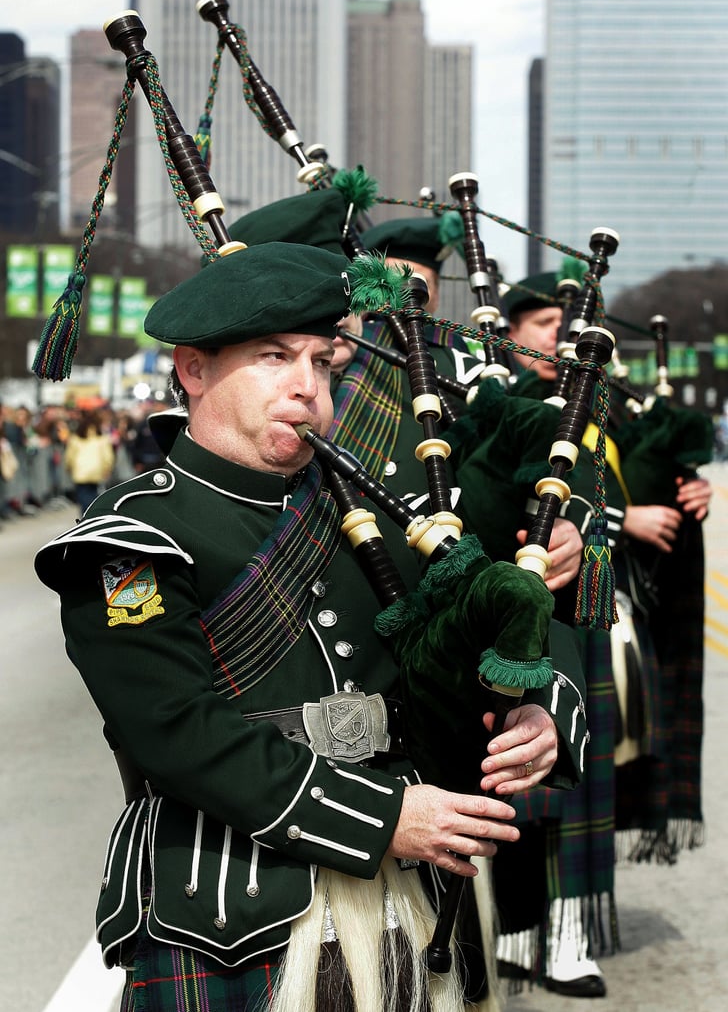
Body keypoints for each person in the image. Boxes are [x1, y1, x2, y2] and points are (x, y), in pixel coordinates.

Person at [35, 241, 587, 1012]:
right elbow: (179, 732)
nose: (307, 387)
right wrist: (385, 818)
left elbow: (498, 610)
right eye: (273, 356)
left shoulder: (382, 512)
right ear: (193, 370)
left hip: (405, 909)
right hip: (232, 913)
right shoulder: (130, 538)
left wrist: (542, 708)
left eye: (323, 363)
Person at [496, 270, 712, 997]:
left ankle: (566, 937)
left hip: (596, 618)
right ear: (513, 334)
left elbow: (632, 488)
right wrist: (627, 523)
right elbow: (516, 510)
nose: (561, 335)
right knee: (522, 783)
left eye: (567, 321)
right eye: (545, 323)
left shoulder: (607, 411)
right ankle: (518, 931)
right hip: (524, 612)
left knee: (585, 782)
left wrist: (689, 494)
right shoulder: (498, 406)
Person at [64, 409, 116, 516]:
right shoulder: (102, 439)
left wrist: (68, 467)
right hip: (97, 470)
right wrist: (107, 468)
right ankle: (92, 515)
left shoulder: (75, 439)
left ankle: (85, 517)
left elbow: (70, 456)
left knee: (82, 495)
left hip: (80, 470)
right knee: (94, 494)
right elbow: (108, 457)